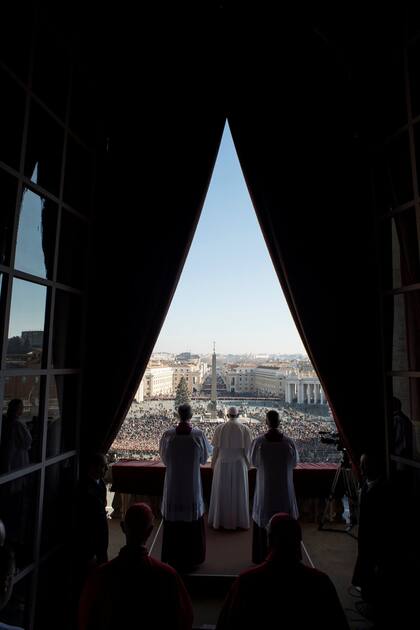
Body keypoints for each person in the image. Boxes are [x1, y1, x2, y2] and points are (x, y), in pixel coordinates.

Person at [216, 513, 349, 630]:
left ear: (269, 541)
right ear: (298, 542)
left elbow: (226, 624)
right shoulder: (321, 582)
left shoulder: (245, 582)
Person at [79, 502, 193, 630]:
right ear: (150, 531)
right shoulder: (168, 575)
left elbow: (86, 618)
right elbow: (184, 618)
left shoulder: (100, 576)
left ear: (122, 527)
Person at [159, 403, 211, 571]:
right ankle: (192, 557)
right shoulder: (198, 435)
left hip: (173, 483)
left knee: (174, 519)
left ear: (177, 415)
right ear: (191, 415)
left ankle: (172, 556)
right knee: (191, 518)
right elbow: (204, 460)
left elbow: (164, 459)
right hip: (191, 484)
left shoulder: (168, 435)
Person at [250, 409, 299, 563]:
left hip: (266, 489)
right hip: (284, 489)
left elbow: (253, 462)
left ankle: (262, 556)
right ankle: (287, 556)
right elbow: (295, 463)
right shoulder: (288, 442)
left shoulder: (259, 442)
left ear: (266, 422)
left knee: (264, 519)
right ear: (279, 422)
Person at [208, 406, 252, 530]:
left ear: (227, 415)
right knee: (239, 493)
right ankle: (239, 522)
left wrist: (213, 465)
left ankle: (220, 520)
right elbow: (248, 452)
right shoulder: (245, 429)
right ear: (238, 415)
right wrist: (248, 465)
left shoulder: (219, 428)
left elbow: (215, 450)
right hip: (239, 464)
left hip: (221, 464)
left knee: (221, 492)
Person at [0, 399, 32, 474]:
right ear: (17, 409)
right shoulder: (18, 424)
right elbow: (28, 442)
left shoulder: (4, 421)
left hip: (6, 457)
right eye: (21, 407)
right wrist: (27, 430)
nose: (23, 409)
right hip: (17, 459)